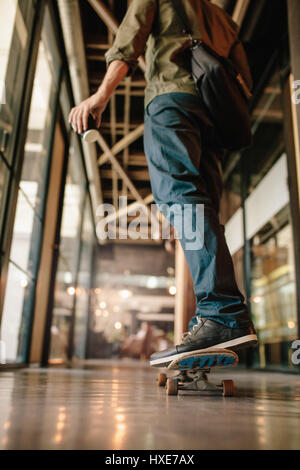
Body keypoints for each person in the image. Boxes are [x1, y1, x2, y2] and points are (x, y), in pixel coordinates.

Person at [69, 0, 258, 368]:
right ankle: (214, 318)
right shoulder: (222, 19)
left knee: (178, 197)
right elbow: (243, 80)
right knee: (201, 207)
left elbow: (131, 36)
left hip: (172, 100)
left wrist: (101, 95)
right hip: (213, 119)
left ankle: (221, 313)